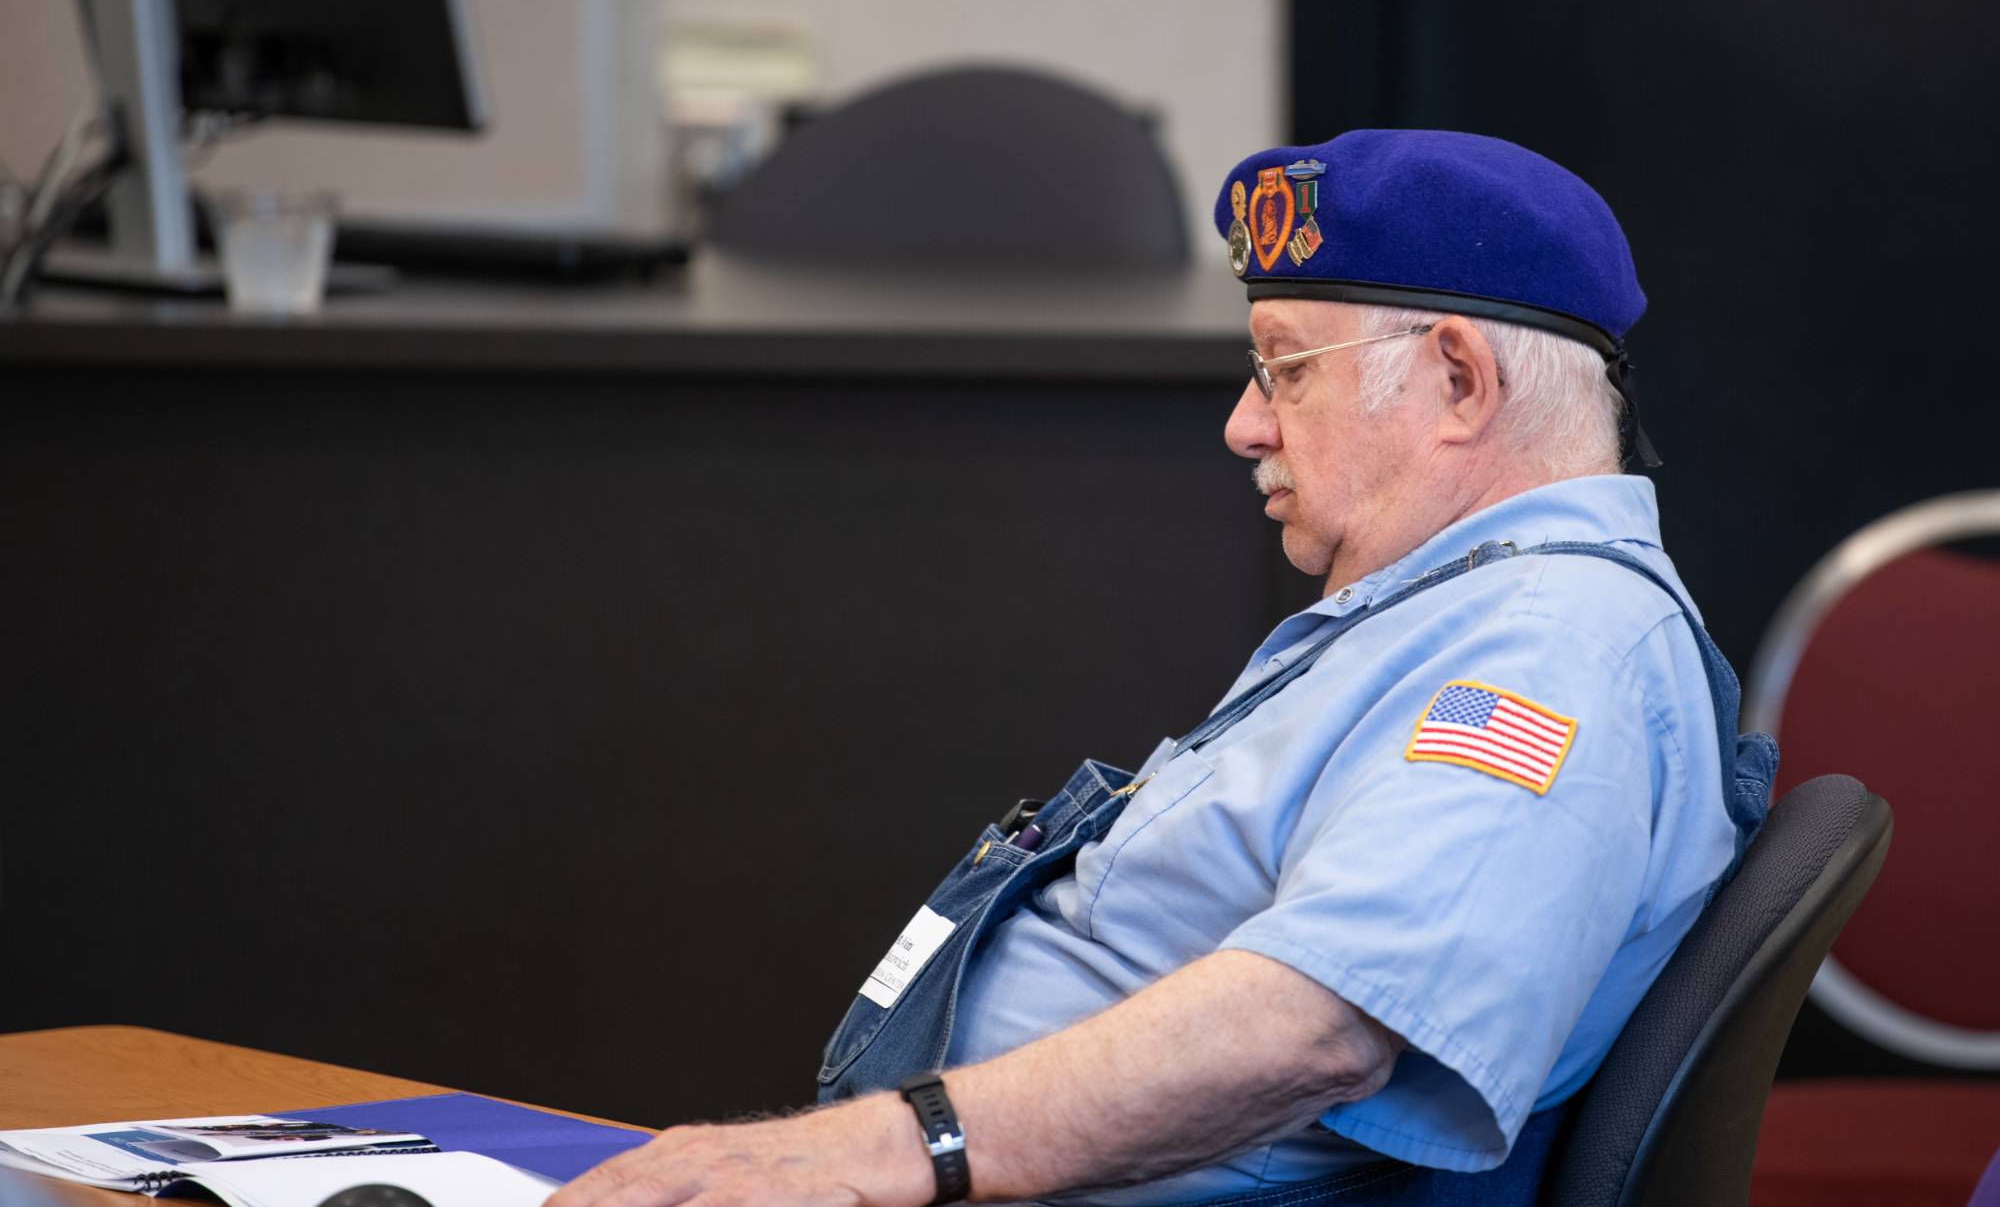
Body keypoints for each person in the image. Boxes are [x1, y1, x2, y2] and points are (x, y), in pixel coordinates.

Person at [546, 130, 1774, 1207]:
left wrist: (891, 1145)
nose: (1244, 422)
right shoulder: (1462, 609)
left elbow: (1319, 1025)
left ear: (1457, 380)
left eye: (1286, 368)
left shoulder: (1552, 647)